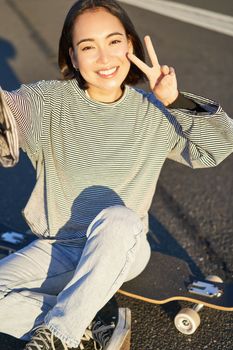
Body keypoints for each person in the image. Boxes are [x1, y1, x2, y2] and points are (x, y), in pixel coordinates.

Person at [0, 0, 232, 349]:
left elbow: (214, 149)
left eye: (114, 42)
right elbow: (8, 113)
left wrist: (177, 102)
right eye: (87, 47)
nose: (104, 58)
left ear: (131, 46)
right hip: (60, 246)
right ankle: (85, 325)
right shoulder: (47, 102)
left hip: (123, 244)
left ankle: (62, 333)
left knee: (119, 218)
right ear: (72, 57)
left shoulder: (154, 111)